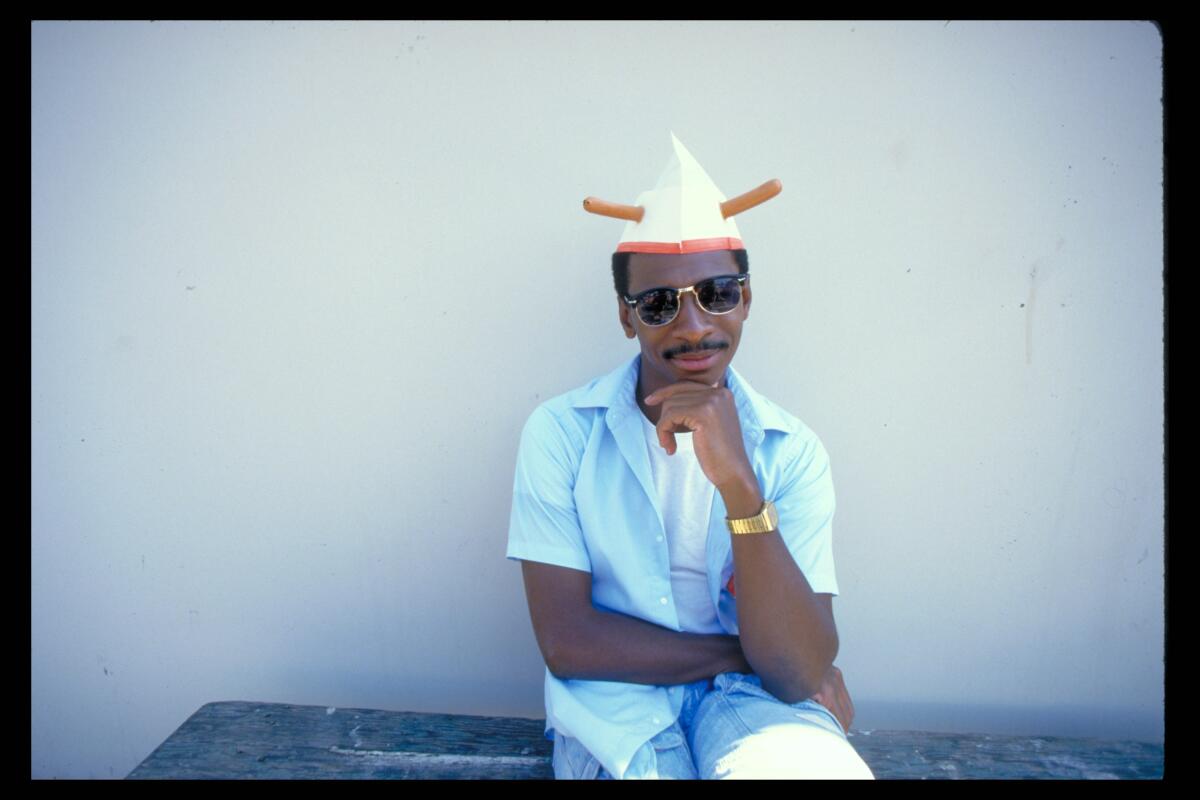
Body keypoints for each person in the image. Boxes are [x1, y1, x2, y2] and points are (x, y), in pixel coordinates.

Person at [506, 134, 874, 779]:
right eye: (658, 305)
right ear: (627, 318)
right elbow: (567, 644)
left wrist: (739, 485)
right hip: (618, 706)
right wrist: (744, 653)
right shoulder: (561, 433)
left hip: (759, 703)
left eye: (718, 293)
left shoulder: (793, 451)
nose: (694, 325)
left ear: (748, 298)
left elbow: (793, 673)